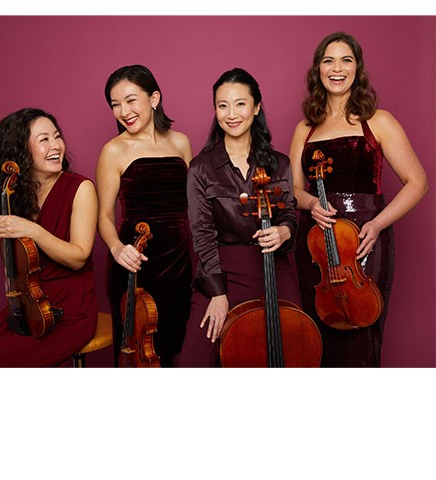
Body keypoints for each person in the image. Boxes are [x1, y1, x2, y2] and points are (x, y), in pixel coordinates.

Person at [289, 32, 428, 367]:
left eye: (346, 60)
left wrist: (377, 224)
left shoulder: (378, 120)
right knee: (321, 334)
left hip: (367, 240)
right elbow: (293, 189)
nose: (337, 69)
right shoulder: (304, 127)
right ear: (318, 70)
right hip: (316, 245)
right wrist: (311, 204)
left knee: (362, 332)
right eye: (328, 61)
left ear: (357, 69)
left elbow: (417, 182)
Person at [178, 67, 300, 368]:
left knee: (293, 347)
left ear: (257, 107)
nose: (231, 113)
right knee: (195, 362)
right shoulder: (201, 169)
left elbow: (289, 214)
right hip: (221, 270)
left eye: (240, 103)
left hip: (274, 267)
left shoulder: (279, 164)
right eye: (223, 105)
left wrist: (284, 231)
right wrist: (218, 293)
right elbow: (202, 234)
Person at [0, 108, 99, 367]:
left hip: (70, 308)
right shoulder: (9, 197)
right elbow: (12, 260)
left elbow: (79, 257)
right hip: (27, 304)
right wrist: (1, 206)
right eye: (44, 139)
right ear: (20, 151)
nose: (56, 145)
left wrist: (32, 229)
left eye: (57, 136)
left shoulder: (81, 188)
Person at [96, 64, 193, 367]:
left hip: (179, 262)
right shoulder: (113, 150)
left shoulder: (181, 142)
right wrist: (116, 248)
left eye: (130, 100)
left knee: (175, 345)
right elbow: (104, 216)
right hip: (135, 260)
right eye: (115, 104)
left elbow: (196, 204)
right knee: (136, 351)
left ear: (153, 98)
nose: (123, 111)